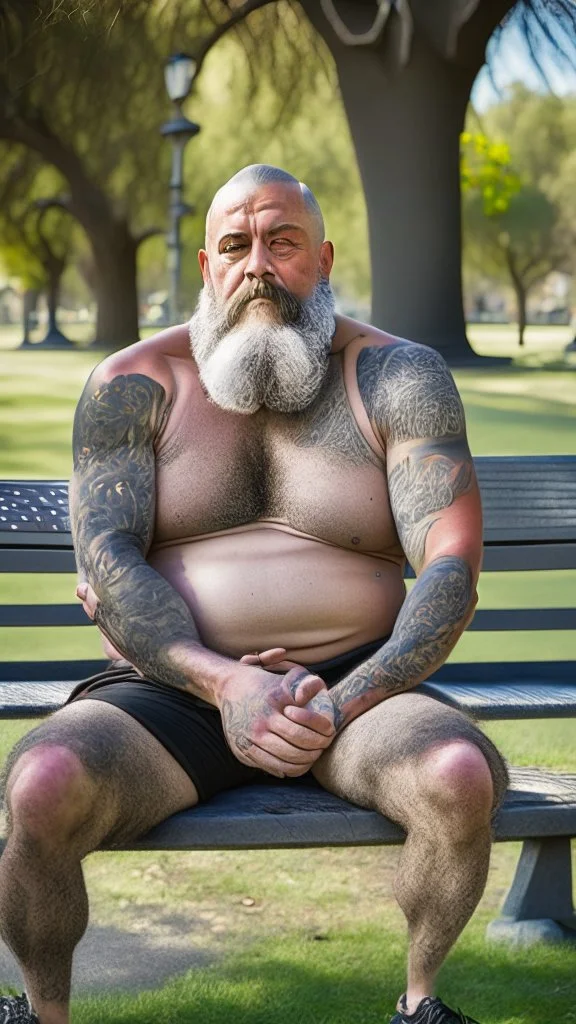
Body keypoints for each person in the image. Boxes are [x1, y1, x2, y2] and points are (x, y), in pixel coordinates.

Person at [0, 164, 507, 1024]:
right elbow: (111, 563)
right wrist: (228, 683)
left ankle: (420, 1004)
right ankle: (43, 1013)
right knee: (43, 784)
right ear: (207, 266)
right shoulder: (134, 384)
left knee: (457, 777)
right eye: (236, 245)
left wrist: (335, 705)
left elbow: (451, 566)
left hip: (353, 690)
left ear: (324, 257)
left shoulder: (395, 378)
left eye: (283, 241)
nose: (259, 266)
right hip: (170, 697)